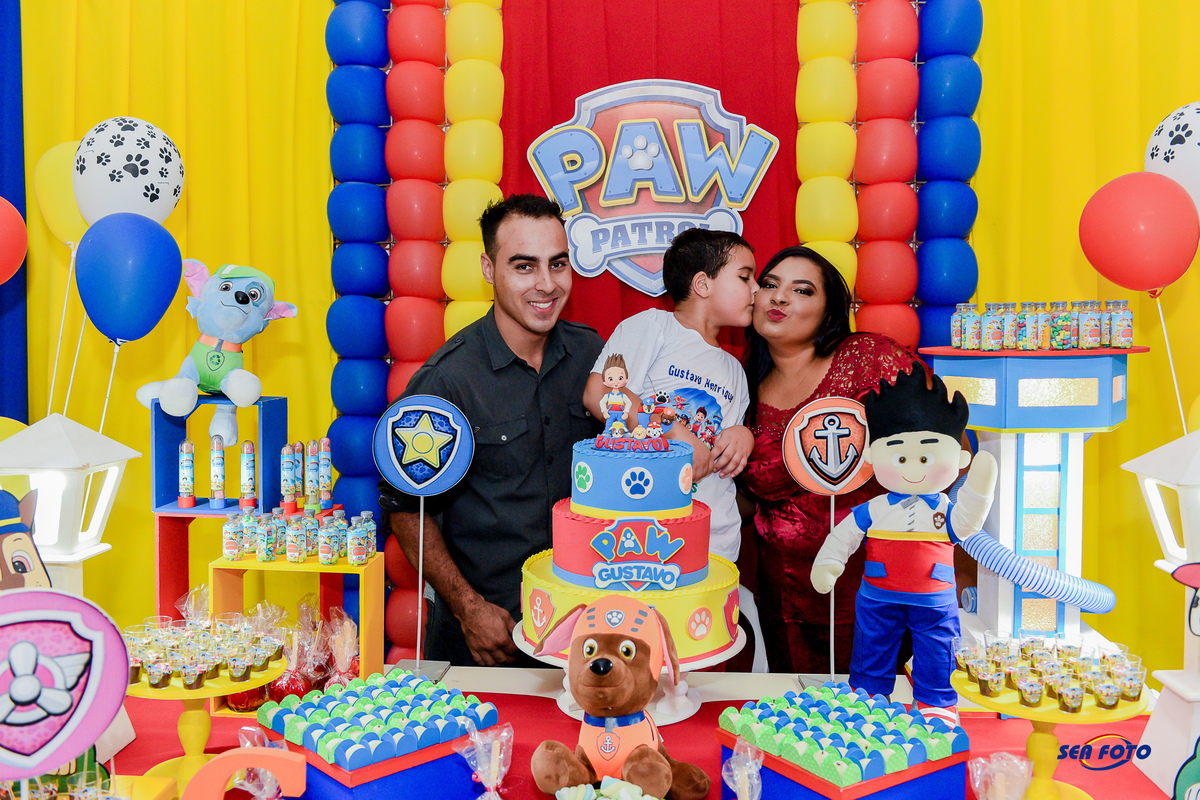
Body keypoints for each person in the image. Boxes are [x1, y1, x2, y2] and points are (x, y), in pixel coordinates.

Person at [379, 194, 604, 667]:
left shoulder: (593, 357)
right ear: (488, 268)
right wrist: (469, 608)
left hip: (584, 627)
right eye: (524, 266)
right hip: (488, 636)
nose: (547, 284)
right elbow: (406, 511)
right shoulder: (447, 380)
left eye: (557, 263)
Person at [739, 245, 926, 674]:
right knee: (799, 709)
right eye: (770, 284)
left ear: (829, 313)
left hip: (875, 584)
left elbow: (939, 443)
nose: (779, 297)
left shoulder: (868, 360)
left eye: (802, 290)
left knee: (878, 706)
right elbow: (745, 497)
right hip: (786, 596)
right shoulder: (739, 385)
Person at [583, 228, 757, 563]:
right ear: (703, 284)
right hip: (642, 535)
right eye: (744, 277)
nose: (756, 289)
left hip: (714, 539)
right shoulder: (654, 327)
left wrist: (742, 436)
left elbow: (721, 452)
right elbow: (599, 392)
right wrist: (675, 434)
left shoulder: (735, 370)